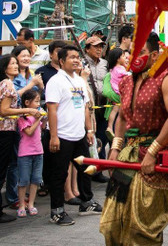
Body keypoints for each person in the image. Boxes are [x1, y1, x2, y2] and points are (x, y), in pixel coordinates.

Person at [99, 32, 168, 246]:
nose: (134, 57)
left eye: (142, 52)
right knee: (112, 223)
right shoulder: (127, 82)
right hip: (128, 154)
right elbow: (121, 116)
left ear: (155, 55)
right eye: (131, 52)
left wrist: (153, 151)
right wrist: (115, 148)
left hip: (155, 157)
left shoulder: (167, 79)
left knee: (143, 228)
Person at [44, 44, 102, 226]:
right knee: (59, 174)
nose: (76, 60)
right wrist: (54, 136)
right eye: (72, 57)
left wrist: (89, 130)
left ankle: (86, 202)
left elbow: (85, 107)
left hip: (79, 135)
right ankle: (57, 211)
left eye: (78, 57)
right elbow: (51, 110)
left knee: (87, 169)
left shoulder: (79, 81)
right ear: (61, 61)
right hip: (61, 135)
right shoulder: (55, 81)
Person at [0, 55, 40, 225]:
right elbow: (5, 110)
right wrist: (26, 111)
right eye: (12, 63)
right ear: (3, 67)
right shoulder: (7, 84)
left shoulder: (0, 84)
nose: (15, 66)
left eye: (16, 63)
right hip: (4, 131)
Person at [16, 88, 44, 218]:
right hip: (25, 153)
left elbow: (43, 127)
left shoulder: (37, 115)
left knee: (36, 179)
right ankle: (22, 204)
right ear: (27, 103)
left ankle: (31, 203)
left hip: (39, 151)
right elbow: (29, 132)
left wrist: (45, 118)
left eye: (39, 102)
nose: (38, 105)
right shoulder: (22, 118)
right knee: (24, 180)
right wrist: (38, 119)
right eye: (36, 101)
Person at [82, 36, 109, 170]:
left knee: (102, 138)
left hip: (104, 106)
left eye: (100, 46)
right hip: (89, 108)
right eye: (95, 47)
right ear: (87, 49)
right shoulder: (82, 63)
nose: (99, 49)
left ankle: (100, 166)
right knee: (91, 138)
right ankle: (92, 167)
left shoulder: (104, 63)